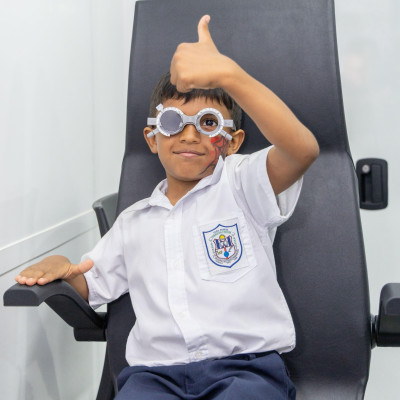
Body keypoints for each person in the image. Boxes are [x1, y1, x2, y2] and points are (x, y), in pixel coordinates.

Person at [15, 15, 319, 400]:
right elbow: (91, 284)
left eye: (208, 123)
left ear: (232, 141)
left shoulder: (242, 185)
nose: (189, 135)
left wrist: (228, 76)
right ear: (152, 138)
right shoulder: (132, 222)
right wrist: (62, 268)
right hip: (154, 377)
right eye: (173, 122)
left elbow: (302, 150)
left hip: (245, 370)